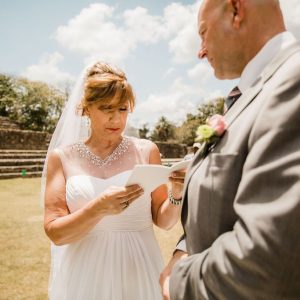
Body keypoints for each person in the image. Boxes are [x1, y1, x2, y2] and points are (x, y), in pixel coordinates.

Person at [160, 0, 300, 299]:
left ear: (236, 10)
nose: (200, 51)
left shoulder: (293, 81)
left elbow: (269, 259)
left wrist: (178, 280)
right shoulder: (250, 94)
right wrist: (184, 249)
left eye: (203, 33)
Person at [42, 62, 185, 300]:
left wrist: (177, 193)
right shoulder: (63, 157)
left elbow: (164, 220)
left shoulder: (146, 150)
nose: (115, 118)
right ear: (86, 108)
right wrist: (98, 208)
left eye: (122, 109)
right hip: (86, 272)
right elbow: (56, 233)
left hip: (139, 266)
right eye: (105, 108)